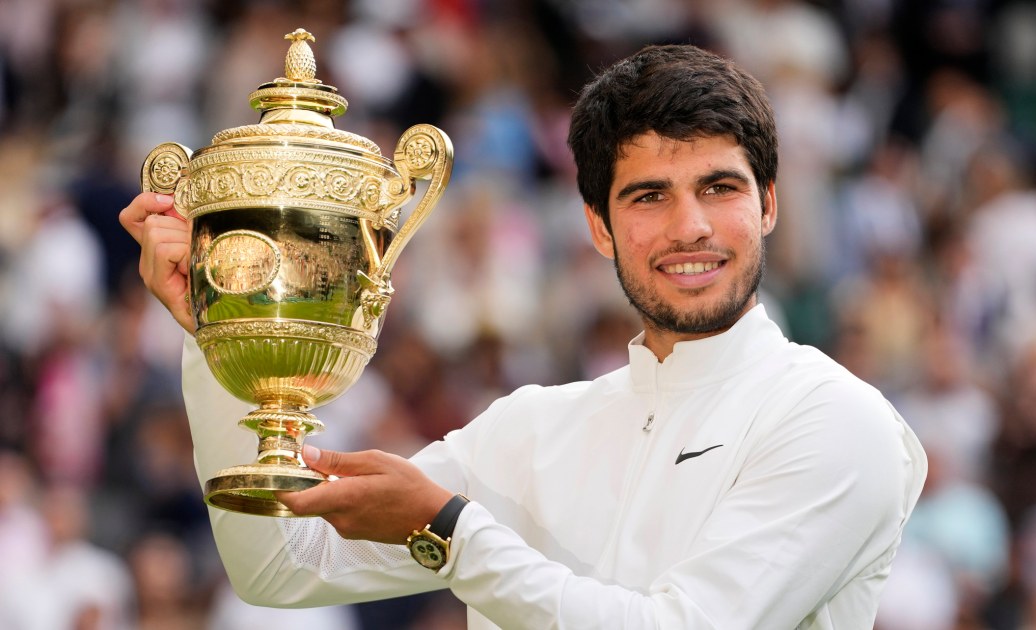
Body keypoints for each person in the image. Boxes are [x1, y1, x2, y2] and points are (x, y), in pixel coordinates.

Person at [120, 44, 927, 629]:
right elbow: (280, 570)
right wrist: (219, 329)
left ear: (770, 205)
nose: (690, 227)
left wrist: (448, 531)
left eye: (720, 188)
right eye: (649, 196)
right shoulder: (531, 429)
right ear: (599, 228)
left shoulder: (833, 419)